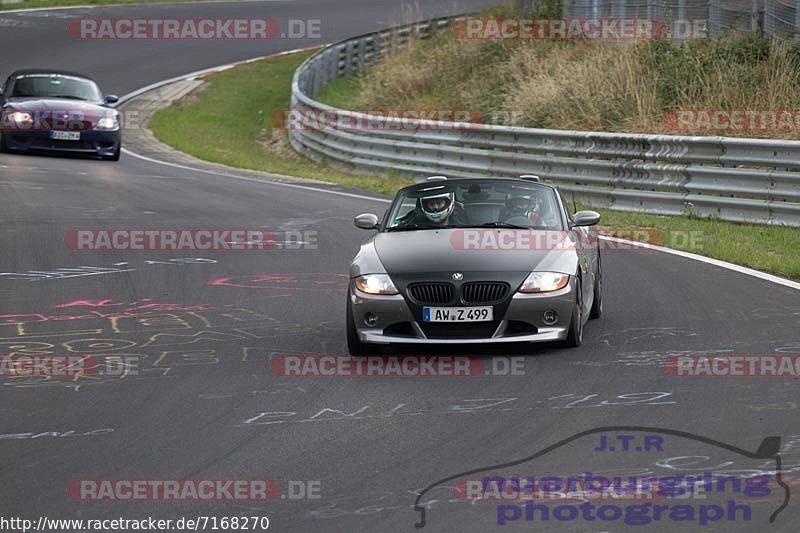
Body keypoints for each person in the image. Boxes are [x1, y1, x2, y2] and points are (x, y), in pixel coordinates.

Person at [396, 191, 468, 227]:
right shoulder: (413, 225)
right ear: (424, 205)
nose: (435, 207)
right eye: (431, 204)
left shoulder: (463, 227)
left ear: (448, 203)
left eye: (439, 203)